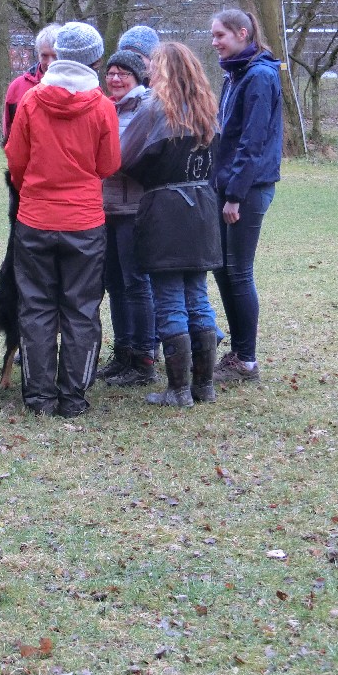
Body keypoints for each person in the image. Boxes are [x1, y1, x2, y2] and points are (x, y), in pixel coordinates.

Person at [4, 22, 121, 418]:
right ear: (96, 61)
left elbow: (16, 161)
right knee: (81, 309)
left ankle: (39, 397)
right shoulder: (103, 107)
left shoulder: (31, 101)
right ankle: (73, 398)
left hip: (35, 219)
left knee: (36, 308)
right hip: (84, 222)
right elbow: (108, 164)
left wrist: (36, 188)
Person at [120, 42, 222, 407]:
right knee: (197, 296)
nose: (148, 72)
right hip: (202, 208)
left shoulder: (154, 109)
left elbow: (123, 156)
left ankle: (178, 390)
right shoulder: (207, 109)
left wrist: (149, 175)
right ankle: (204, 386)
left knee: (169, 299)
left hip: (165, 210)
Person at [209, 8, 282, 383]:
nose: (214, 42)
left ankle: (247, 361)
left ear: (242, 33)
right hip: (230, 185)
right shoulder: (235, 74)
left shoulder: (259, 76)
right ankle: (238, 353)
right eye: (213, 35)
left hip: (249, 189)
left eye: (220, 35)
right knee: (223, 269)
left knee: (238, 271)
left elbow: (253, 143)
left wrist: (235, 195)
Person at [99, 49, 156, 387]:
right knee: (114, 283)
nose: (115, 79)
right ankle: (122, 353)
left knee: (136, 282)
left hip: (135, 208)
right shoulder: (107, 107)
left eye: (123, 73)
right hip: (105, 207)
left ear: (137, 77)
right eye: (111, 73)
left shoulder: (147, 108)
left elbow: (136, 157)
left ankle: (144, 357)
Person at [2, 23, 62, 145]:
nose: (50, 63)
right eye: (44, 56)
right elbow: (9, 133)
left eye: (56, 57)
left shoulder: (78, 87)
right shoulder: (17, 87)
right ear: (38, 54)